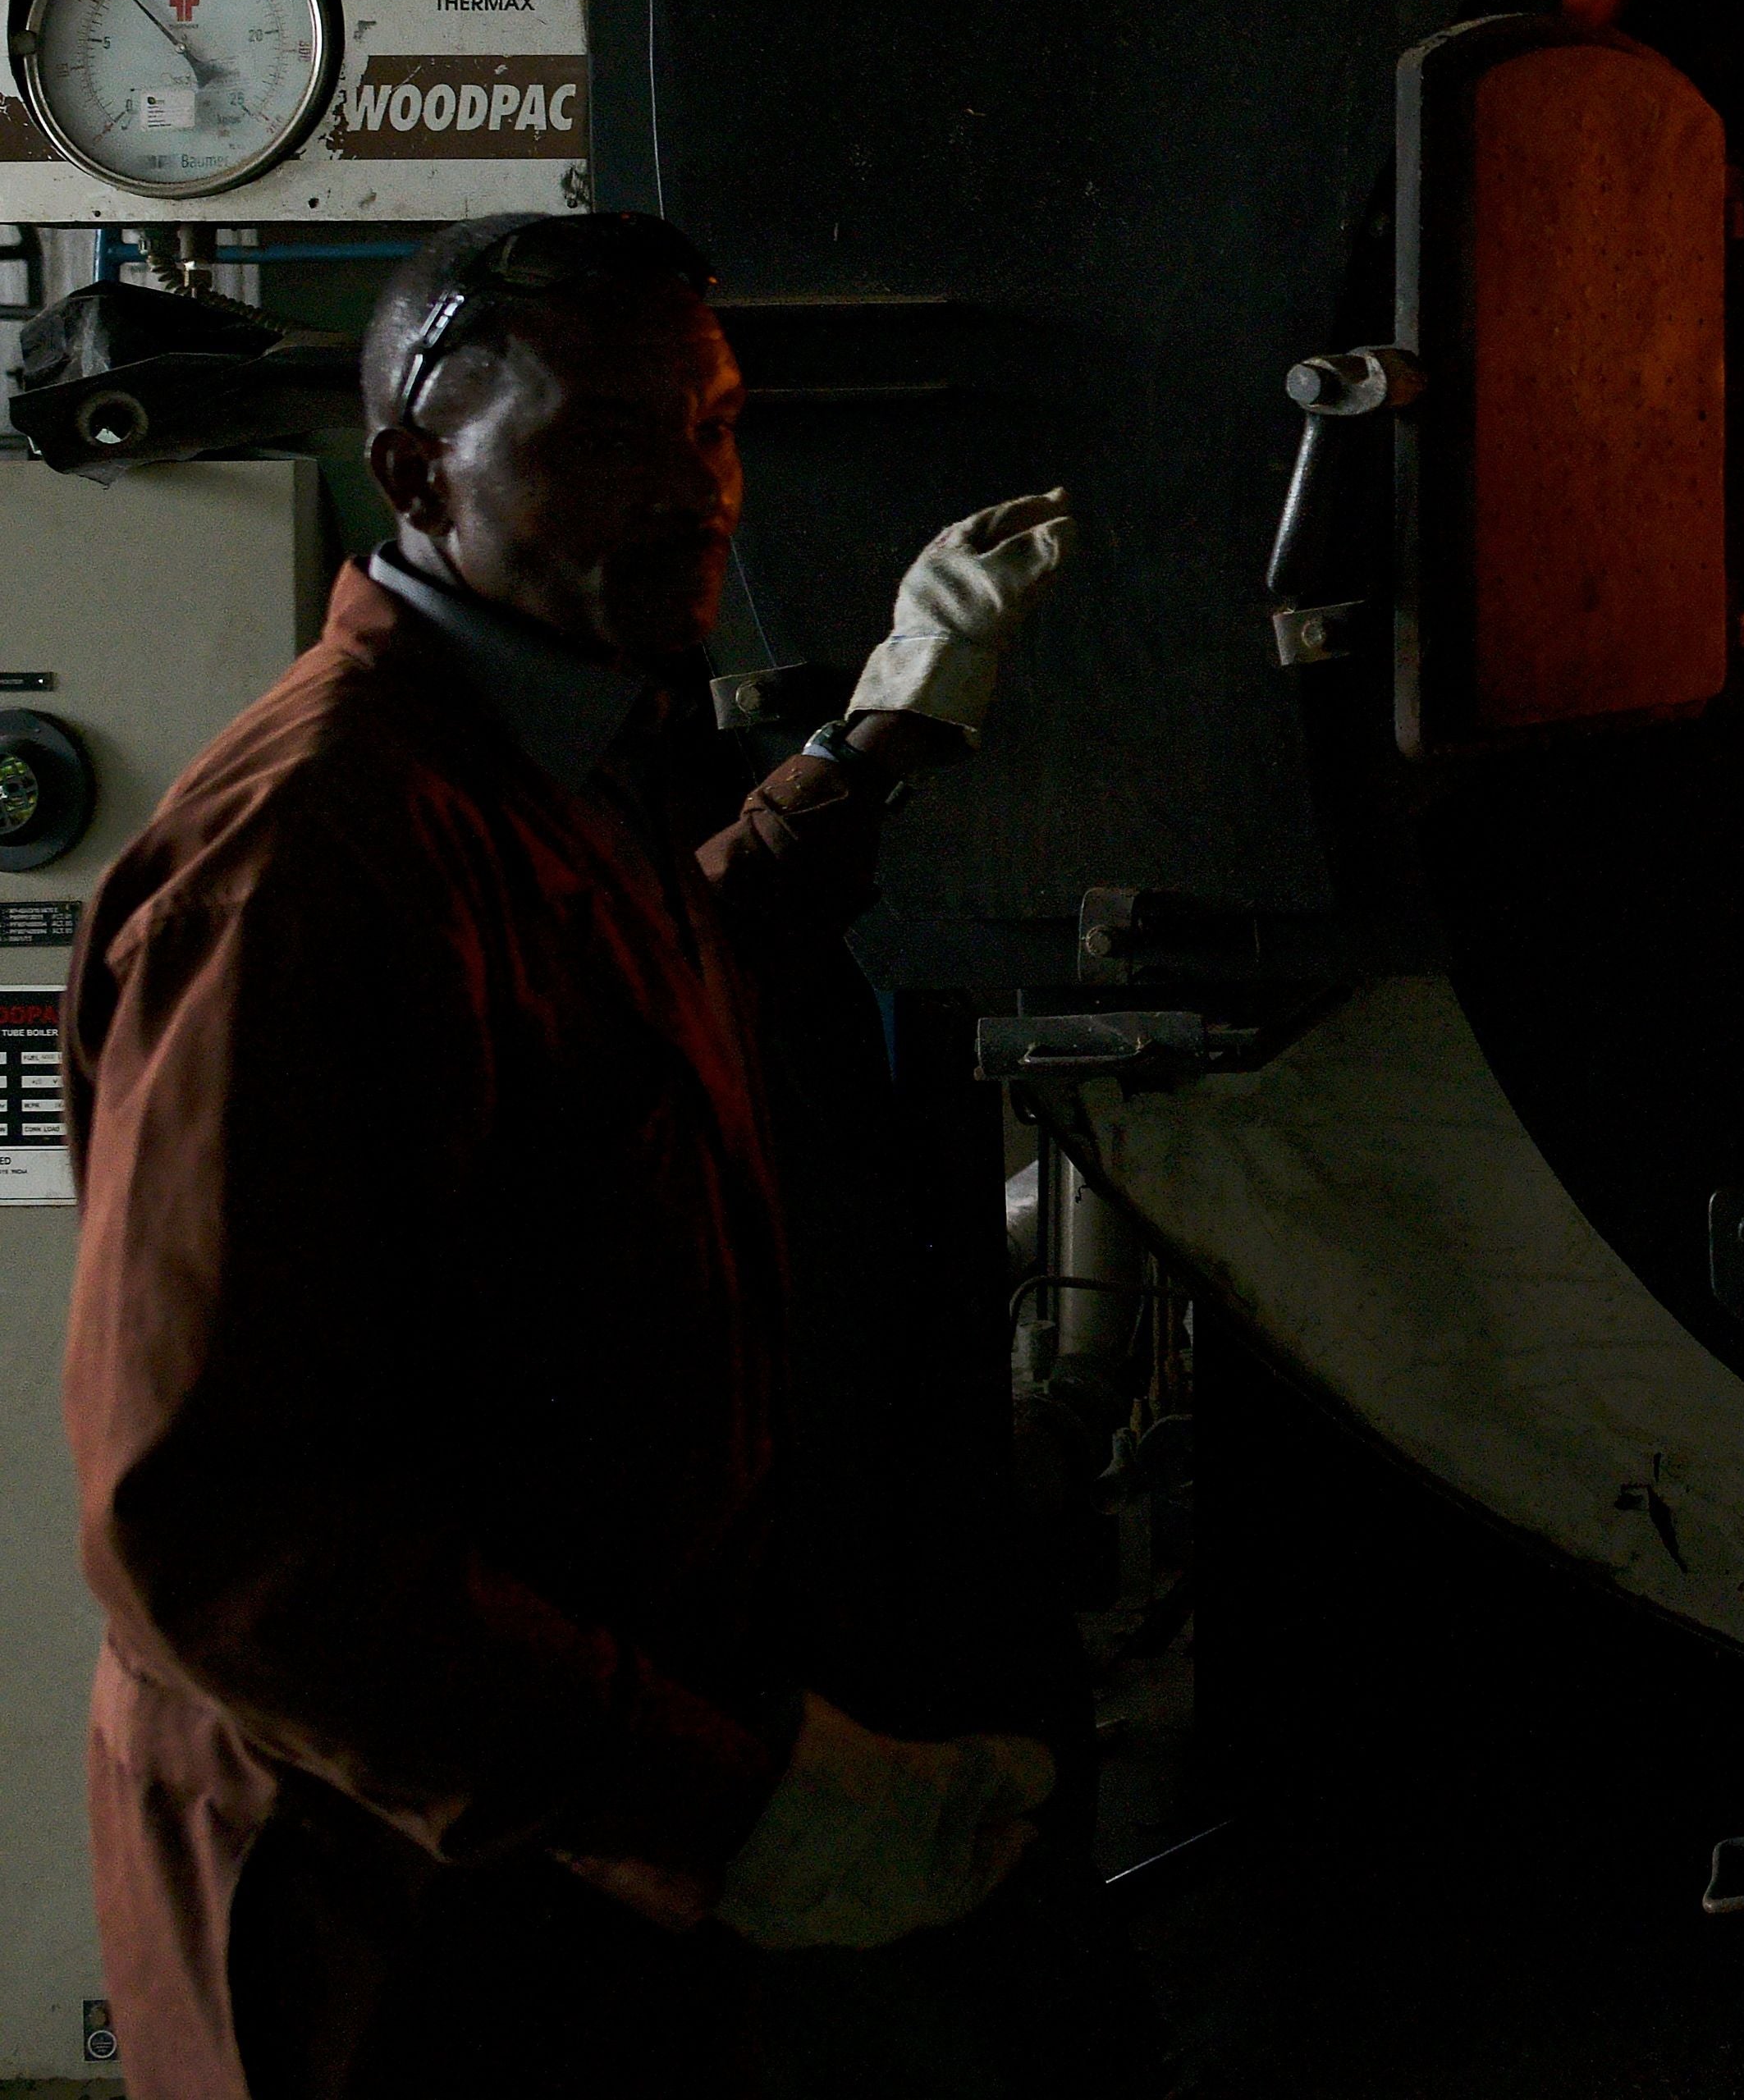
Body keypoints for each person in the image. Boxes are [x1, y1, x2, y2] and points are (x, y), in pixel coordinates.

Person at [62, 210, 1083, 2100]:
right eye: (608, 434)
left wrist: (870, 745)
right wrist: (722, 1804)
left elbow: (628, 993)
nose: (694, 492)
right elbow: (211, 1522)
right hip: (387, 1918)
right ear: (413, 468)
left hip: (559, 1874)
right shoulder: (304, 859)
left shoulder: (530, 757)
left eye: (713, 429)